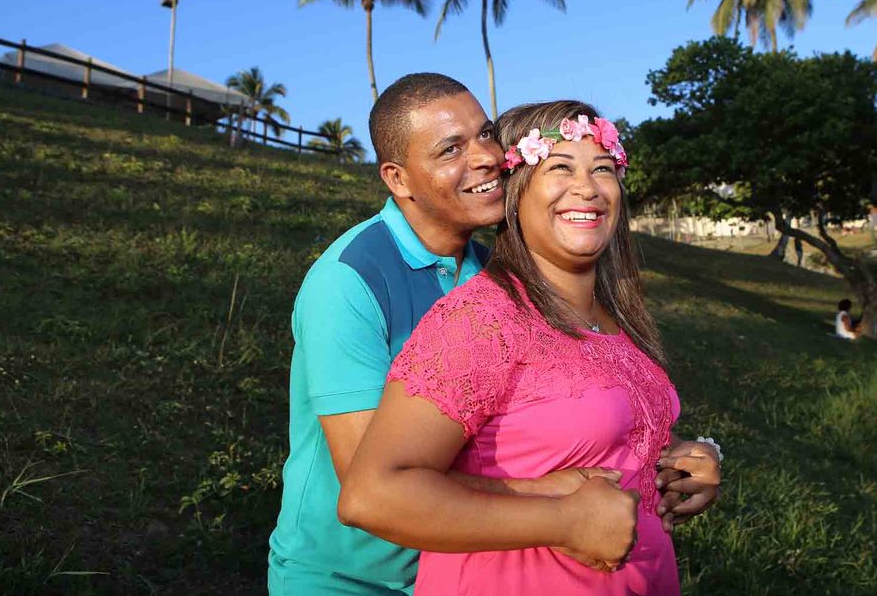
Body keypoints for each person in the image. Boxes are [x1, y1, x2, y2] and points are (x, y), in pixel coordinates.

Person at [267, 77, 640, 595]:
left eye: (485, 134)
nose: (486, 157)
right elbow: (367, 478)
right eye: (451, 149)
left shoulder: (495, 274)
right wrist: (542, 496)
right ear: (398, 180)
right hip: (347, 576)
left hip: (456, 564)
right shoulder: (348, 281)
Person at [340, 101, 721, 596]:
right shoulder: (480, 321)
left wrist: (685, 462)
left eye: (602, 169)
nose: (587, 188)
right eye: (560, 167)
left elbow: (600, 436)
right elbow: (372, 495)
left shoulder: (615, 319)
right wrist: (561, 522)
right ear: (515, 192)